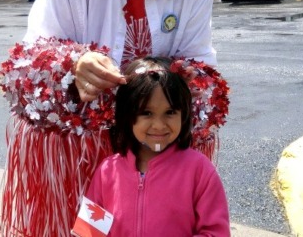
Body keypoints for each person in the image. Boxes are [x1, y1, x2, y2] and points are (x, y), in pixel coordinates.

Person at [0, 0, 229, 235]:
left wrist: (176, 88)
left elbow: (201, 68)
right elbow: (29, 59)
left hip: (159, 153)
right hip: (78, 155)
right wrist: (73, 66)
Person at [84, 56, 230, 236]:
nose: (159, 125)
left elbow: (216, 232)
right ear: (127, 115)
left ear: (184, 114)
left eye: (170, 112)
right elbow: (89, 231)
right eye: (146, 113)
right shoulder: (106, 171)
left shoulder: (199, 171)